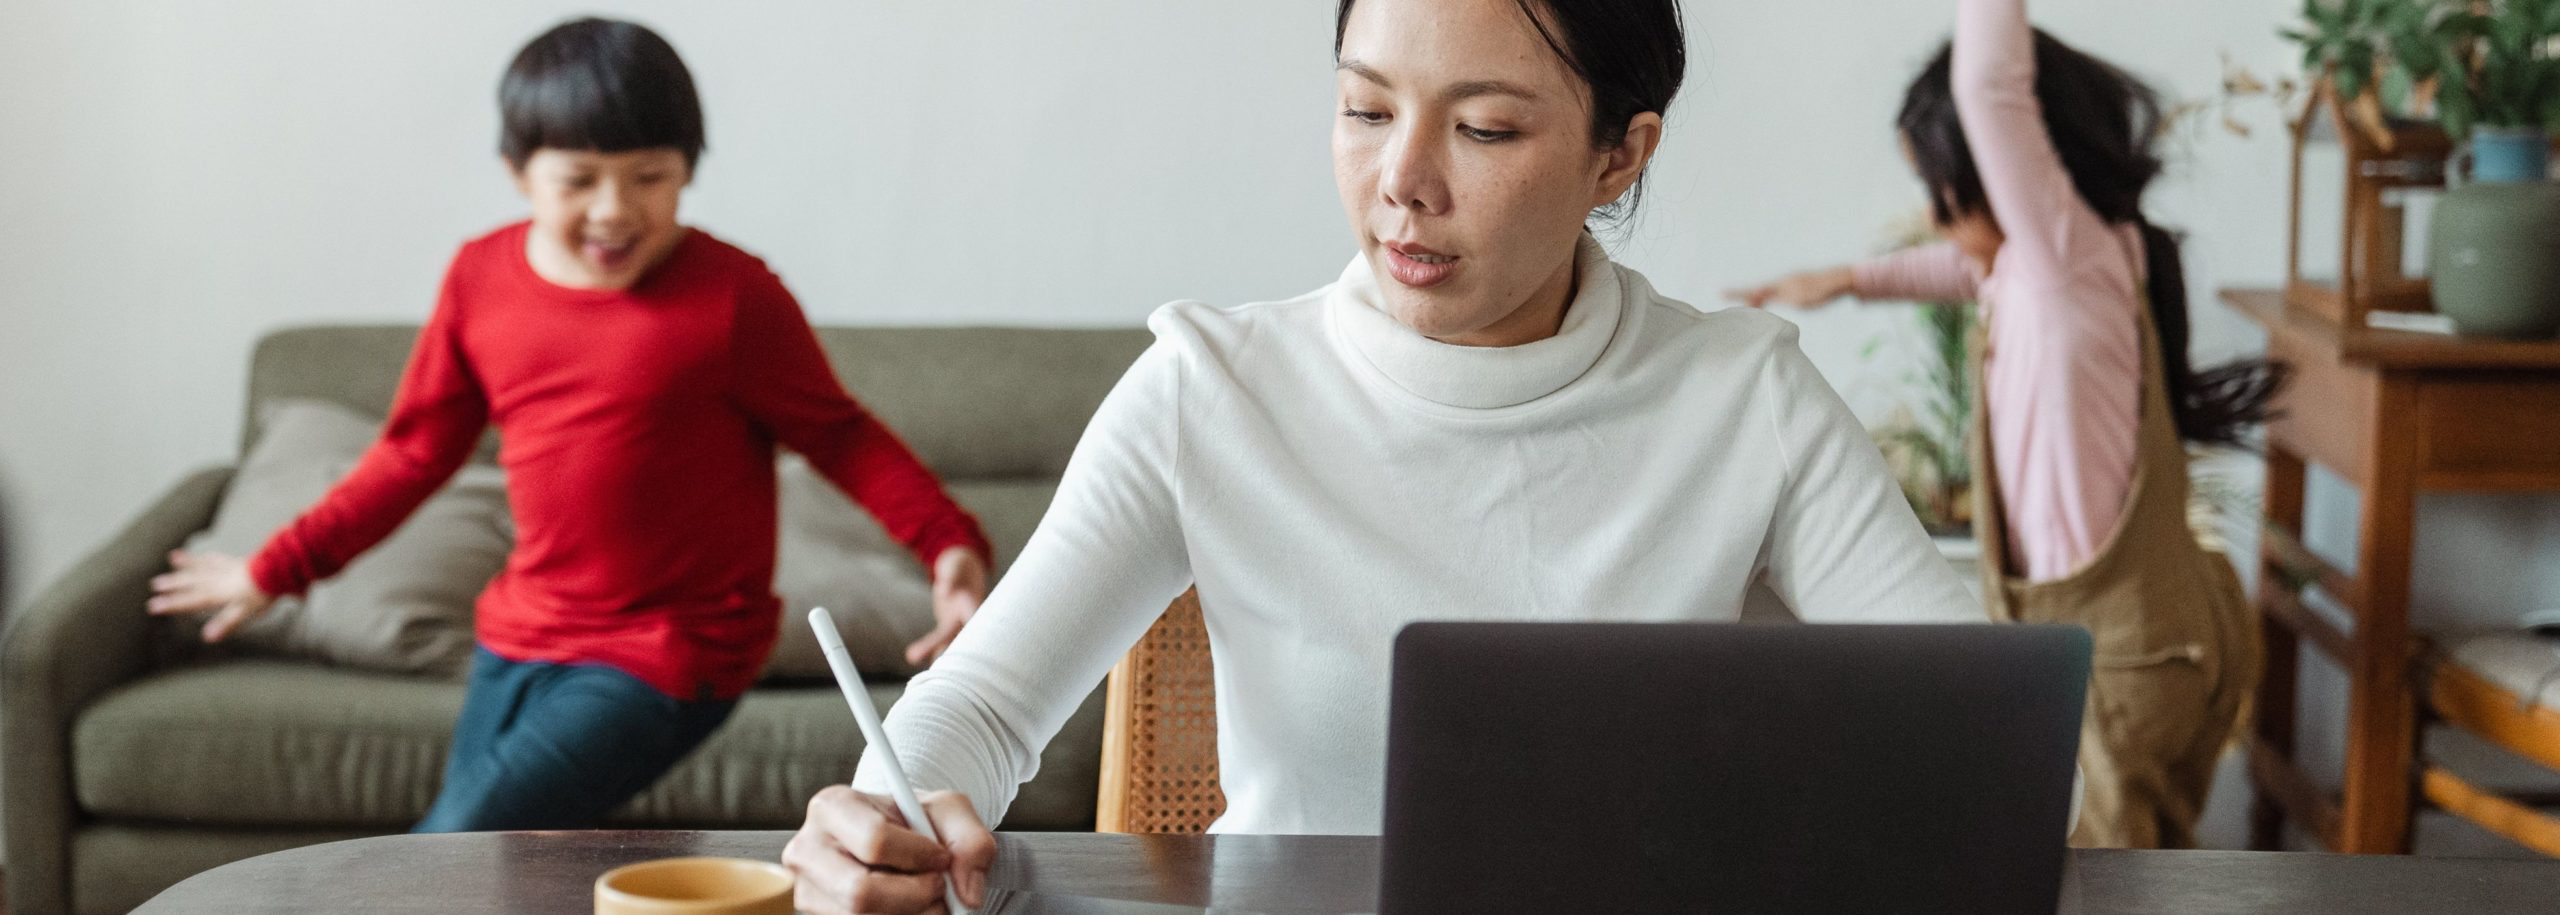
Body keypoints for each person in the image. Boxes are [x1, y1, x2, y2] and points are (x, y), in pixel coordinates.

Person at [780, 1, 1986, 911]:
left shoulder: (1742, 394)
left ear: (1620, 155)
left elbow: (1972, 732)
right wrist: (885, 818)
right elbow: (984, 705)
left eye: (1484, 128)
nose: (1402, 182)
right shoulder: (1212, 389)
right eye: (1365, 110)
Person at [144, 17, 993, 833]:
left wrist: (946, 544)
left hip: (673, 649)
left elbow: (841, 435)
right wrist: (276, 568)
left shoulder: (735, 298)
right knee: (492, 871)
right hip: (520, 632)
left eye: (649, 176)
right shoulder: (480, 280)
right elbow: (412, 453)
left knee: (451, 849)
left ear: (689, 170)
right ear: (520, 171)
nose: (615, 209)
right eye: (579, 180)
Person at [1728, 0, 2282, 848]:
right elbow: (1954, 265)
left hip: (2124, 659)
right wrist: (1842, 278)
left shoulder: (2069, 260)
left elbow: (1988, 84)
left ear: (2013, 167)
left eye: (1942, 192)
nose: (1938, 217)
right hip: (2124, 641)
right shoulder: (2043, 270)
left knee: (2106, 882)